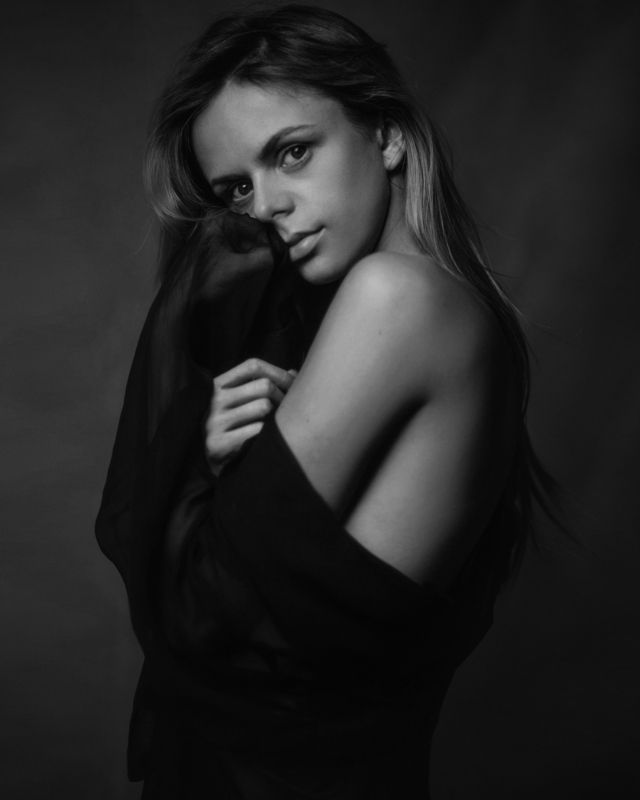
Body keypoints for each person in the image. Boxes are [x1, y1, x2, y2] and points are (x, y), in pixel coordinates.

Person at [96, 4, 553, 798]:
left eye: (293, 152)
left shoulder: (394, 296)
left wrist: (192, 462)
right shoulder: (448, 310)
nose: (265, 206)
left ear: (388, 133)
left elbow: (208, 620)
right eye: (237, 188)